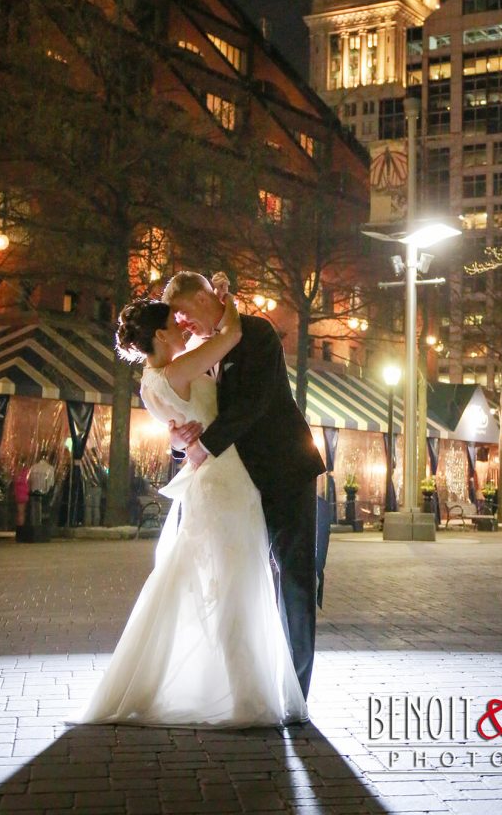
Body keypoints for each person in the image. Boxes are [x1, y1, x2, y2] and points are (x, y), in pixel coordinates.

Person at [80, 293, 307, 728]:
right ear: (161, 335)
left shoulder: (151, 381)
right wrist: (228, 299)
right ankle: (248, 696)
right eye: (176, 321)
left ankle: (238, 687)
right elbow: (234, 333)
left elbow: (180, 430)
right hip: (224, 481)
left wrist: (183, 440)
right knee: (235, 582)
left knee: (219, 580)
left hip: (215, 480)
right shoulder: (180, 366)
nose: (184, 326)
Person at [163, 270, 326, 700]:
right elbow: (192, 414)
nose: (181, 324)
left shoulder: (256, 333)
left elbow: (255, 403)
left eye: (182, 312)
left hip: (285, 470)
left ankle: (296, 693)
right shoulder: (202, 350)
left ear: (202, 298)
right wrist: (181, 445)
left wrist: (205, 448)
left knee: (294, 578)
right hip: (236, 484)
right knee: (247, 581)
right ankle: (250, 684)